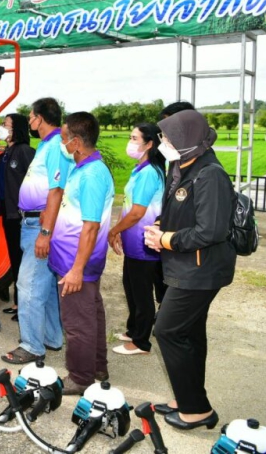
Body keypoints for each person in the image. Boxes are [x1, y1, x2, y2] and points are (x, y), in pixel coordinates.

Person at [144, 109, 235, 431]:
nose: (163, 142)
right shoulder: (181, 165)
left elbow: (212, 231)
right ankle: (188, 399)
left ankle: (196, 409)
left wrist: (167, 240)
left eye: (168, 137)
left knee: (168, 330)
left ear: (186, 139)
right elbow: (176, 209)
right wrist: (160, 227)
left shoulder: (210, 174)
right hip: (184, 265)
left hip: (202, 269)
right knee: (190, 333)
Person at [47, 112, 114, 395]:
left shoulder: (91, 174)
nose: (61, 143)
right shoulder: (83, 168)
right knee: (90, 314)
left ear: (75, 142)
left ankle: (80, 377)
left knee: (77, 323)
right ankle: (97, 367)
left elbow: (91, 227)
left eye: (63, 138)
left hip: (77, 263)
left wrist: (76, 269)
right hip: (73, 259)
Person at [1, 98, 70, 365]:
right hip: (31, 222)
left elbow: (57, 190)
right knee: (46, 286)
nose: (29, 121)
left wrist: (45, 232)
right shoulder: (46, 145)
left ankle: (31, 345)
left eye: (30, 117)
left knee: (27, 285)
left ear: (40, 118)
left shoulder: (55, 146)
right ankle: (52, 337)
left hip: (40, 225)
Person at [108, 123, 166, 356]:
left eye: (134, 138)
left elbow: (137, 212)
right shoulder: (139, 169)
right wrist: (121, 230)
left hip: (144, 241)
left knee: (142, 293)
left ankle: (141, 342)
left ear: (149, 144)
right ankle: (133, 330)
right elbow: (127, 205)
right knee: (131, 287)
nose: (130, 142)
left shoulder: (150, 172)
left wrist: (114, 230)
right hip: (133, 240)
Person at [0, 114, 35, 321]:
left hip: (21, 215)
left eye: (6, 125)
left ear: (16, 129)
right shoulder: (6, 152)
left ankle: (26, 307)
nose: (2, 127)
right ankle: (18, 302)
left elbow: (34, 181)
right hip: (8, 213)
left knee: (24, 262)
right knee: (15, 259)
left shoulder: (24, 151)